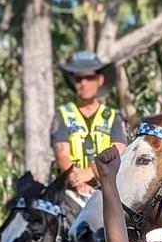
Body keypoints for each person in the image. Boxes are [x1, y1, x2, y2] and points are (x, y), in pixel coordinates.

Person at [51, 51, 127, 196]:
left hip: (108, 189)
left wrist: (91, 171)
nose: (84, 83)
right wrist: (78, 181)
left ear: (99, 79)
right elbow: (62, 155)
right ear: (73, 82)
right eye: (79, 79)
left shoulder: (113, 117)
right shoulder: (62, 115)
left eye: (89, 77)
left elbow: (119, 152)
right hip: (71, 190)